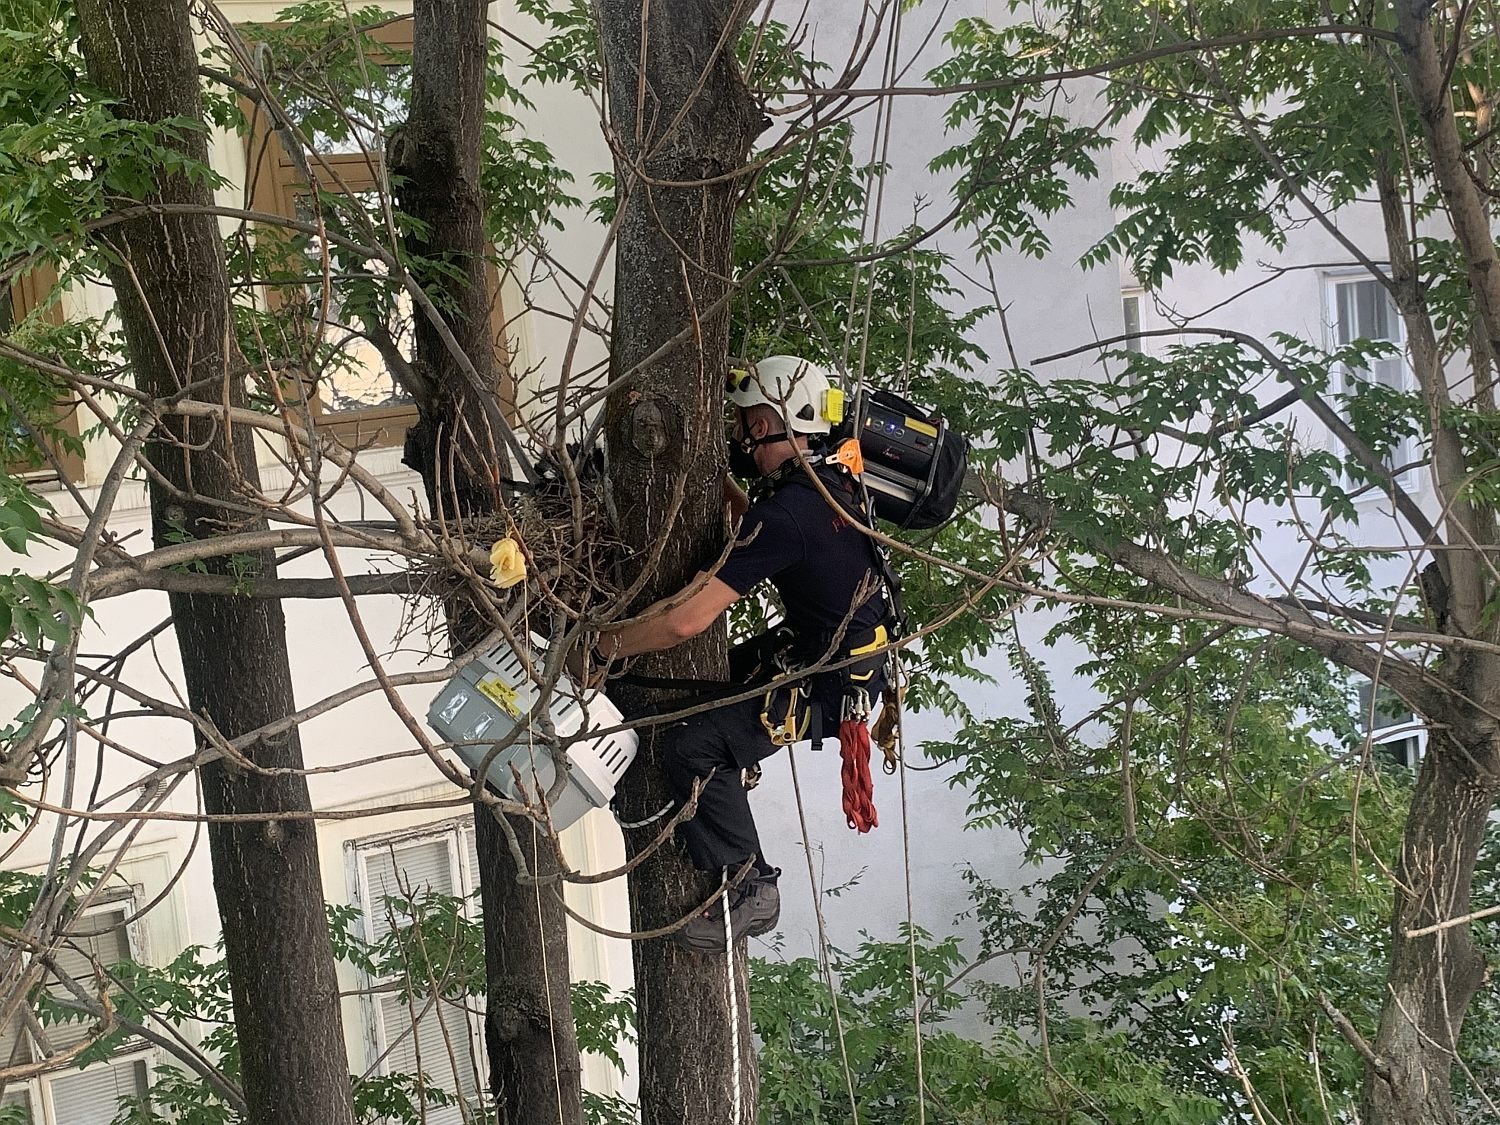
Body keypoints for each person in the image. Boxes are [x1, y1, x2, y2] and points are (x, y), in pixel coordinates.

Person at [593, 355, 891, 953]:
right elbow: (765, 525)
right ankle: (732, 777)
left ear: (764, 424)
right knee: (711, 679)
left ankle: (751, 882)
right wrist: (715, 483)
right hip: (831, 653)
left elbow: (684, 623)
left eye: (747, 423)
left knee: (693, 745)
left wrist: (603, 644)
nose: (741, 437)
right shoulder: (829, 485)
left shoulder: (791, 510)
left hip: (833, 684)